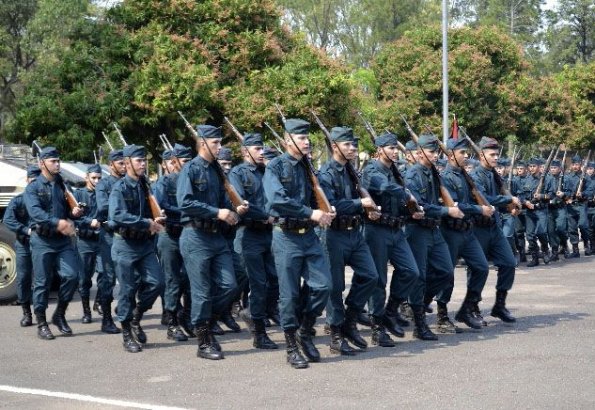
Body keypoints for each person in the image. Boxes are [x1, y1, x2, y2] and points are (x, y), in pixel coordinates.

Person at [263, 118, 335, 369]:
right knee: (290, 294)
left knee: (323, 286)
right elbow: (276, 200)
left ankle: (305, 330)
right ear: (287, 140)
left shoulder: (308, 167)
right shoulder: (275, 166)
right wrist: (309, 212)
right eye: (302, 138)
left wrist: (325, 209)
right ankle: (291, 344)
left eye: (307, 138)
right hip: (286, 237)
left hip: (309, 236)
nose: (307, 142)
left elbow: (316, 196)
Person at [177, 124, 247, 360]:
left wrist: (233, 209)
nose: (219, 147)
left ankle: (205, 320)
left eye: (220, 142)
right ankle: (203, 340)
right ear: (203, 143)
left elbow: (222, 201)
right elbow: (185, 203)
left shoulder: (217, 171)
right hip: (195, 236)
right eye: (215, 143)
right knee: (202, 291)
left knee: (231, 283)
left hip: (216, 237)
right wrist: (218, 212)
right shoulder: (190, 170)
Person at [318, 126, 379, 354]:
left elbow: (358, 200)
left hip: (355, 233)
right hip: (334, 234)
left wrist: (368, 210)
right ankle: (335, 334)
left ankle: (350, 320)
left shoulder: (351, 171)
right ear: (335, 147)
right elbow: (330, 205)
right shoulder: (325, 174)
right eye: (347, 145)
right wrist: (359, 204)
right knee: (335, 286)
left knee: (371, 276)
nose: (353, 148)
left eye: (354, 145)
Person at [361, 132, 422, 346]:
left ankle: (390, 311)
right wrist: (407, 195)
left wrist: (412, 211)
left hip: (397, 229)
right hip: (377, 230)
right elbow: (385, 188)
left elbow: (400, 201)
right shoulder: (371, 170)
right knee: (379, 280)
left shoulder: (395, 171)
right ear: (379, 150)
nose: (396, 152)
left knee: (411, 271)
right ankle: (377, 327)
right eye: (391, 148)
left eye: (396, 148)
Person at [405, 134, 463, 339]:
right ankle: (419, 325)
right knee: (419, 276)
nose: (436, 156)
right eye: (432, 152)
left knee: (446, 271)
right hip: (417, 229)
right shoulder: (412, 175)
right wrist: (447, 212)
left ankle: (420, 304)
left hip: (434, 230)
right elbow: (420, 205)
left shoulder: (434, 173)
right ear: (420, 153)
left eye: (437, 152)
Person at [109, 144, 165, 352]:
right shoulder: (120, 188)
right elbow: (118, 215)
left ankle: (136, 317)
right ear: (128, 163)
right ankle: (126, 334)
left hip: (144, 244)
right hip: (125, 244)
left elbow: (152, 209)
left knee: (157, 283)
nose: (143, 164)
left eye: (144, 160)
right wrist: (146, 222)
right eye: (139, 161)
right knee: (127, 290)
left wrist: (157, 217)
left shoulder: (145, 185)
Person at [25, 146, 83, 340]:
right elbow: (36, 214)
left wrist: (73, 213)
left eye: (58, 161)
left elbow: (67, 210)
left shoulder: (62, 185)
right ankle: (41, 322)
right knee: (42, 283)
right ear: (42, 164)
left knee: (72, 276)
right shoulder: (33, 188)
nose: (57, 164)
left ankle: (59, 314)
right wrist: (58, 222)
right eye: (53, 161)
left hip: (62, 241)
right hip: (42, 240)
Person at [229, 132, 278, 349]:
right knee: (258, 283)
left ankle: (253, 312)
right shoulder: (237, 173)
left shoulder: (268, 171)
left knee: (275, 280)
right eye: (256, 148)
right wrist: (265, 215)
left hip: (270, 233)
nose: (261, 152)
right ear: (244, 151)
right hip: (249, 234)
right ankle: (260, 333)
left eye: (262, 148)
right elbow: (241, 204)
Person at [436, 137, 491, 331]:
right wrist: (479, 209)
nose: (466, 156)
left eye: (467, 153)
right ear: (451, 155)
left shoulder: (466, 176)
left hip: (467, 231)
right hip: (450, 231)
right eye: (462, 153)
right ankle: (442, 316)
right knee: (447, 275)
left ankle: (467, 308)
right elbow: (457, 204)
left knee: (482, 267)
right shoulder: (445, 178)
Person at [470, 137, 521, 324]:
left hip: (494, 227)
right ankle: (473, 306)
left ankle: (499, 305)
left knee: (508, 263)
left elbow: (500, 195)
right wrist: (508, 201)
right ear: (481, 155)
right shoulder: (475, 176)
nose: (496, 158)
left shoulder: (494, 174)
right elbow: (485, 198)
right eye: (492, 154)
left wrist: (511, 207)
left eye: (497, 154)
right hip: (479, 228)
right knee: (477, 269)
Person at [73, 163, 119, 333]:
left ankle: (99, 302)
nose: (97, 181)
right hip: (85, 241)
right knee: (85, 277)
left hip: (102, 240)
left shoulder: (104, 192)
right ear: (87, 178)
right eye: (94, 178)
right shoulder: (79, 194)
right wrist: (87, 221)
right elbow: (74, 217)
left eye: (99, 178)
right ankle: (86, 311)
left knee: (105, 273)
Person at [154, 143, 193, 342]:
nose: (187, 165)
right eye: (184, 161)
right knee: (172, 280)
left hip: (189, 234)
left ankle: (186, 317)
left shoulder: (192, 180)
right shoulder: (165, 182)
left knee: (190, 279)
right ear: (175, 162)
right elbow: (162, 206)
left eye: (189, 161)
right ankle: (172, 323)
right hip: (170, 235)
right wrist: (187, 210)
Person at [4, 165, 41, 327]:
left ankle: (41, 314)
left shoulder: (44, 202)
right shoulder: (18, 200)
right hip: (24, 243)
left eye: (37, 180)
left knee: (42, 279)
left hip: (42, 244)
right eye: (32, 180)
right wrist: (26, 230)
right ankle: (27, 313)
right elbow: (8, 220)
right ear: (27, 180)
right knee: (24, 277)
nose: (34, 183)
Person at [94, 149, 126, 325]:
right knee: (108, 277)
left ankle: (123, 308)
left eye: (125, 163)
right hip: (109, 236)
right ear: (111, 164)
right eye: (120, 163)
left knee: (131, 278)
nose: (124, 167)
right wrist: (123, 208)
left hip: (128, 236)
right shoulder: (104, 184)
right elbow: (103, 207)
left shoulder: (130, 182)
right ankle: (106, 318)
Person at [565, 155, 591, 257]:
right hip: (571, 205)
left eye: (577, 164)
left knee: (583, 225)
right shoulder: (568, 177)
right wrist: (566, 198)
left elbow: (590, 190)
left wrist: (583, 193)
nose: (575, 166)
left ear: (580, 165)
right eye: (574, 164)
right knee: (572, 228)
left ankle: (586, 244)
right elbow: (565, 190)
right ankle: (575, 250)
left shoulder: (586, 177)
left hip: (581, 204)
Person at [547, 159, 571, 261]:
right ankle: (555, 251)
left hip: (561, 207)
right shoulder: (546, 179)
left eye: (555, 167)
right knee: (551, 231)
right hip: (549, 208)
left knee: (561, 228)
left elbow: (570, 196)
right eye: (551, 168)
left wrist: (563, 195)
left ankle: (564, 244)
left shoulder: (566, 179)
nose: (553, 169)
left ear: (560, 169)